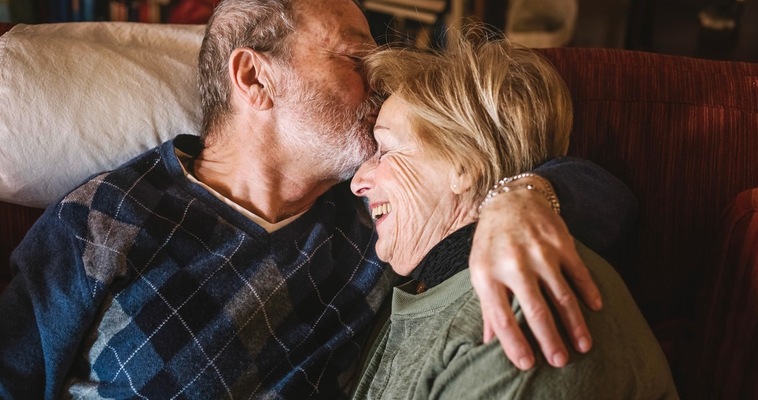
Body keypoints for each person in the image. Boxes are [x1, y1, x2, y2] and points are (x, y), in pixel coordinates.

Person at [0, 0, 636, 398]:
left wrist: (521, 198)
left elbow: (606, 195)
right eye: (354, 58)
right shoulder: (104, 219)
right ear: (255, 77)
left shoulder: (379, 211)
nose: (376, 79)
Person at [350, 30, 677, 399]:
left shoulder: (518, 313)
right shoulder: (428, 282)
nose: (358, 182)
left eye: (385, 149)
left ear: (464, 164)